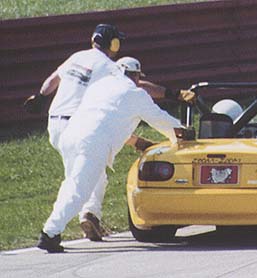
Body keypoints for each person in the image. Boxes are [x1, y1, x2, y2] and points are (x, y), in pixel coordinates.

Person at [37, 61, 185, 253]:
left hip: (70, 136)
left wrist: (136, 141)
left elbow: (110, 120)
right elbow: (160, 119)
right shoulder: (135, 94)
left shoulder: (100, 86)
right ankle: (49, 234)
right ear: (135, 76)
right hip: (91, 144)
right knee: (78, 189)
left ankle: (72, 222)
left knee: (73, 183)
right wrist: (182, 132)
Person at [24, 24, 125, 241]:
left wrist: (40, 97)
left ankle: (91, 215)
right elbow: (134, 86)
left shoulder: (77, 56)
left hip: (55, 125)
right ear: (113, 44)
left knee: (95, 171)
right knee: (77, 183)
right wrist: (169, 93)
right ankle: (52, 232)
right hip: (79, 129)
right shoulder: (109, 66)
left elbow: (53, 79)